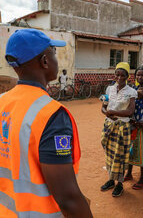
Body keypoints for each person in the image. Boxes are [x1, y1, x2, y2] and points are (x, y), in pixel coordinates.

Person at [0, 29, 92, 217]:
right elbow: (68, 198)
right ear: (44, 61)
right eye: (54, 53)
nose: (56, 59)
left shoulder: (2, 101)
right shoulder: (51, 115)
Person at [100, 62, 137, 197]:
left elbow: (130, 111)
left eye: (123, 75)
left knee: (120, 156)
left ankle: (119, 184)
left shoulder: (131, 92)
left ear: (127, 76)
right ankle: (111, 180)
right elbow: (103, 107)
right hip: (109, 125)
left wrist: (114, 112)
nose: (120, 77)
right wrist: (107, 113)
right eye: (117, 74)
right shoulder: (109, 89)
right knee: (109, 154)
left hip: (123, 128)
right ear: (114, 75)